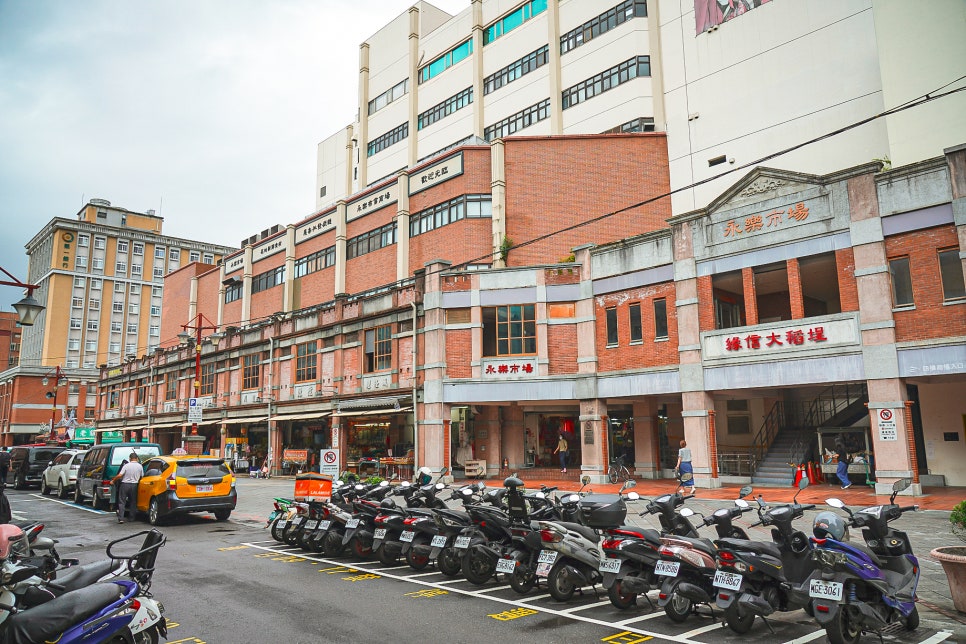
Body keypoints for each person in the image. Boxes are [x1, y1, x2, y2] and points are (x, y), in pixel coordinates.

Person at [111, 452, 143, 524]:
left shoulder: (126, 466)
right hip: (134, 485)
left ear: (130, 458)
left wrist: (113, 480)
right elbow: (142, 476)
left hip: (125, 485)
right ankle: (131, 518)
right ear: (137, 458)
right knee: (133, 502)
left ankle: (121, 518)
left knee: (122, 501)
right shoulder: (140, 466)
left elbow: (120, 475)